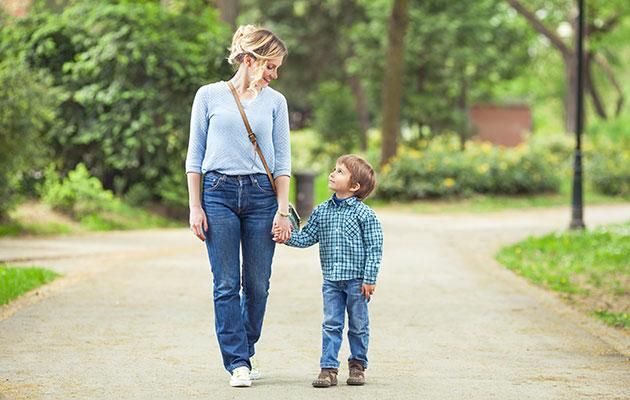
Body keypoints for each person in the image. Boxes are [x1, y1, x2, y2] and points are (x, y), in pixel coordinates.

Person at [185, 25, 292, 388]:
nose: (274, 75)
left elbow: (282, 162)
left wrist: (282, 208)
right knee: (226, 282)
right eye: (270, 67)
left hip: (262, 196)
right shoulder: (209, 96)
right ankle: (238, 363)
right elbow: (194, 156)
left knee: (258, 284)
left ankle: (244, 347)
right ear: (250, 60)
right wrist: (194, 206)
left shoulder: (276, 102)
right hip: (217, 194)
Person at [274, 154, 384, 388]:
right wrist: (286, 236)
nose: (332, 174)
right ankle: (328, 368)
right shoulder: (321, 211)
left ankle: (357, 365)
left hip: (357, 282)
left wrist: (370, 278)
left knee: (358, 325)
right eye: (334, 169)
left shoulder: (365, 215)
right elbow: (306, 238)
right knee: (331, 324)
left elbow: (375, 248)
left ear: (354, 186)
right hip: (332, 282)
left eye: (340, 171)